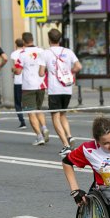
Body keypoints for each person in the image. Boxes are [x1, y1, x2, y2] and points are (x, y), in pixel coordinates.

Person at [42, 28, 82, 156]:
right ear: (59, 39)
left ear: (49, 39)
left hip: (54, 89)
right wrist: (70, 72)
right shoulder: (68, 52)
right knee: (63, 114)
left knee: (55, 116)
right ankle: (69, 136)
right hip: (67, 88)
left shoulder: (46, 53)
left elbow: (41, 72)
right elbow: (78, 66)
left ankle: (65, 145)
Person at [14, 32, 48, 146]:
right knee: (38, 109)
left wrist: (13, 70)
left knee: (31, 112)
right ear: (32, 40)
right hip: (41, 85)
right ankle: (44, 128)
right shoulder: (42, 51)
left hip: (28, 86)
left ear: (23, 41)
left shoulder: (22, 54)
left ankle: (39, 137)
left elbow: (18, 71)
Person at [9, 38, 27, 129]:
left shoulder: (14, 54)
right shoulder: (26, 52)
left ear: (16, 45)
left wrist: (12, 70)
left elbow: (15, 67)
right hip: (27, 81)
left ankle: (22, 122)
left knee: (17, 102)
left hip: (18, 80)